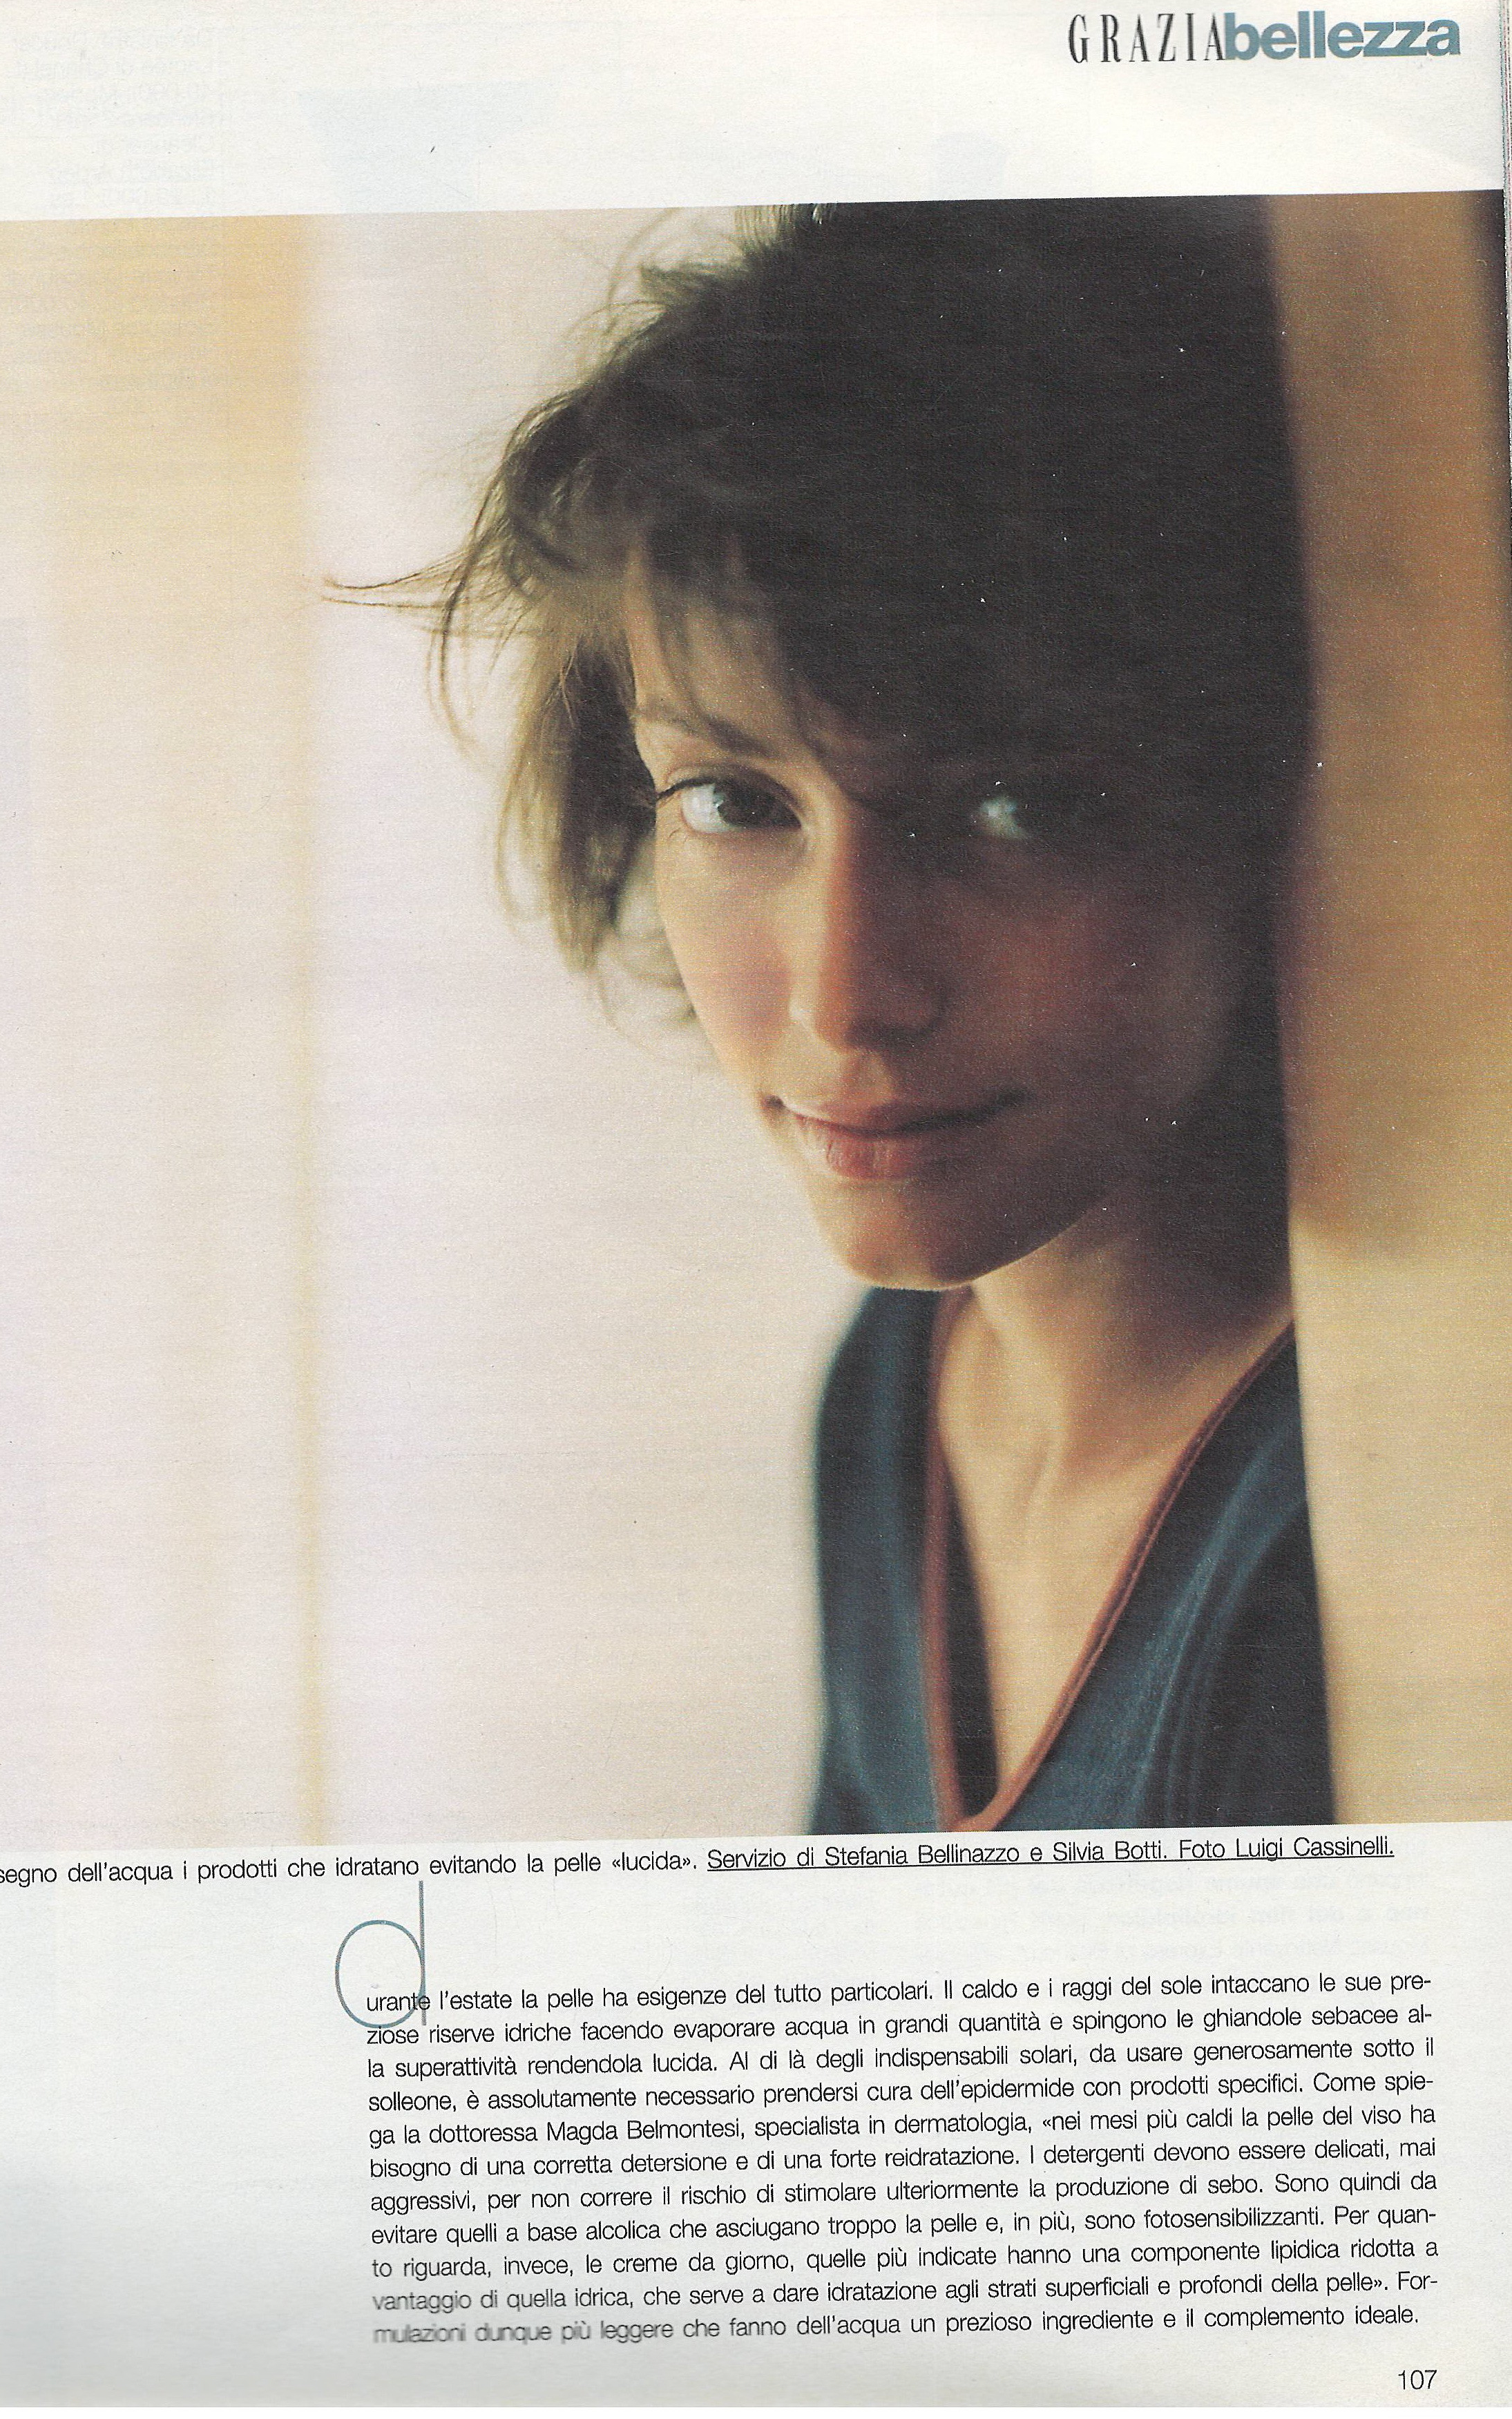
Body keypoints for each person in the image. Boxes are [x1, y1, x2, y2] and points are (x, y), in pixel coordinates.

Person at [418, 197, 1512, 1830]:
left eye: (1013, 809)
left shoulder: (1378, 1486)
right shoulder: (896, 1386)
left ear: (1266, 816)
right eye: (733, 801)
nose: (844, 992)